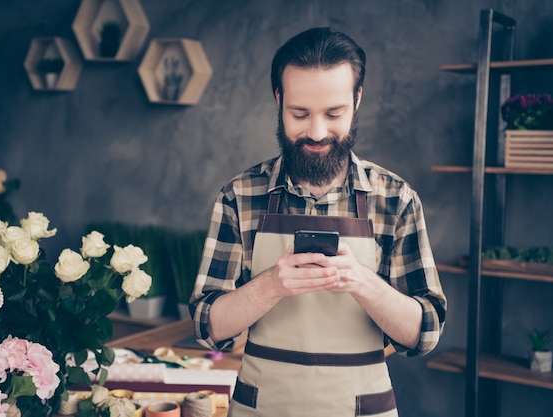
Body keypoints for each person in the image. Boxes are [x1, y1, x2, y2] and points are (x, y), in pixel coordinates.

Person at [190, 27, 447, 416]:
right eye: (299, 113)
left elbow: (424, 332)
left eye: (333, 113)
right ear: (279, 100)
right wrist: (272, 285)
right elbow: (207, 326)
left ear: (357, 99)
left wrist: (362, 283)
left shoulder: (396, 199)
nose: (316, 131)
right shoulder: (239, 197)